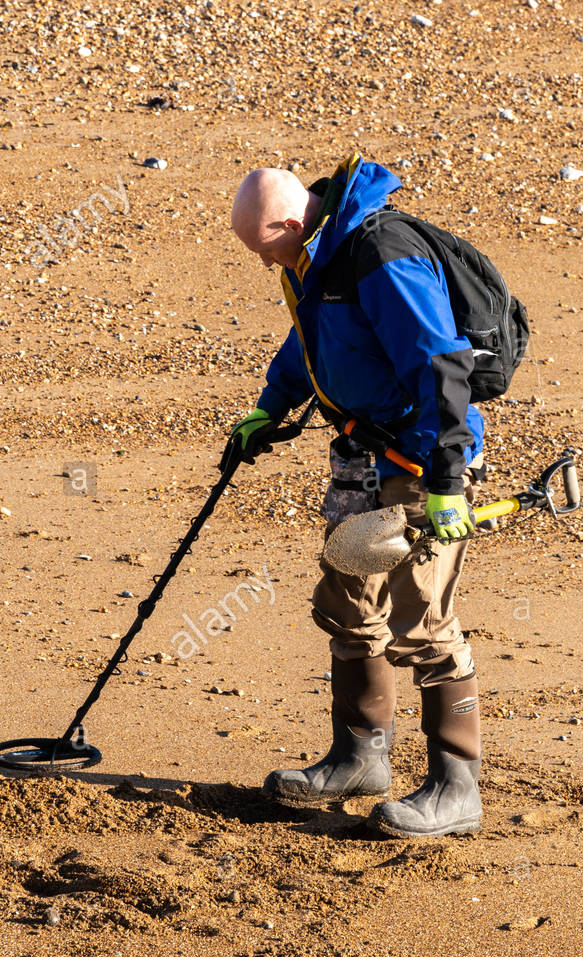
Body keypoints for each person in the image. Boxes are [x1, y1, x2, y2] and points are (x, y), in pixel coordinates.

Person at [225, 153, 486, 838]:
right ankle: (358, 756)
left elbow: (442, 365)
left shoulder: (379, 256)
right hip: (359, 450)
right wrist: (268, 408)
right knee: (348, 597)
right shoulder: (319, 259)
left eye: (265, 248)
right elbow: (313, 341)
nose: (264, 263)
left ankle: (456, 787)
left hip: (421, 456)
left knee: (423, 616)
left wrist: (448, 481)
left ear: (289, 221)